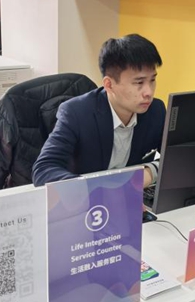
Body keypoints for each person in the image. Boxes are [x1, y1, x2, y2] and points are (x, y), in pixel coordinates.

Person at [32, 34, 165, 189]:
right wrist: (96, 190)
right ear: (109, 85)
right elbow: (44, 170)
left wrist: (149, 173)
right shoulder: (76, 113)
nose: (149, 92)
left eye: (152, 80)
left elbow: (176, 158)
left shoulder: (155, 110)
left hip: (131, 196)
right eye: (139, 82)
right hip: (85, 199)